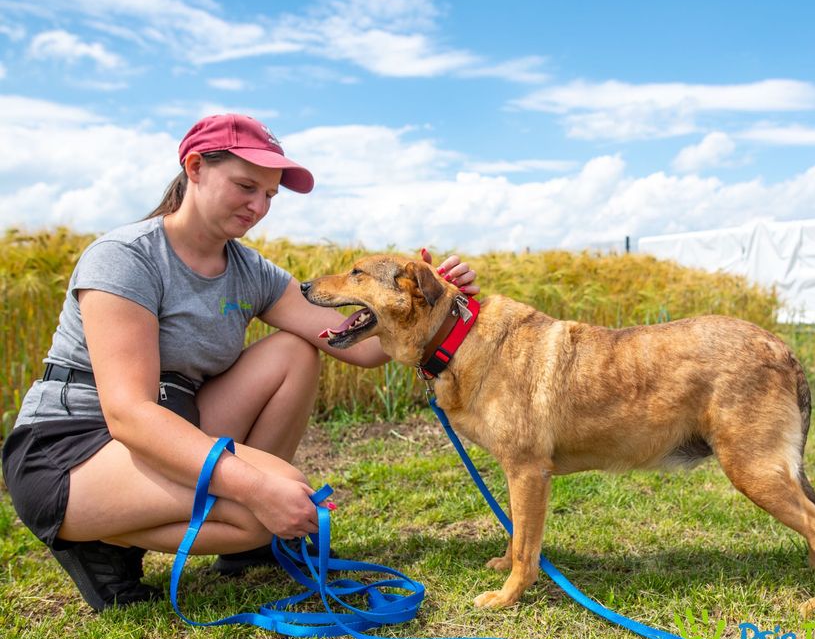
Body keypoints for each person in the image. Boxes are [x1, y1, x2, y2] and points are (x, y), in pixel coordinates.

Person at [1, 114, 478, 612]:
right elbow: (128, 412)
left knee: (294, 351)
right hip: (73, 446)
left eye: (270, 195)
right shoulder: (126, 257)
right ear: (195, 168)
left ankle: (220, 540)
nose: (258, 207)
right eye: (246, 186)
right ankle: (101, 540)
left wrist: (437, 308)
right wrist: (254, 488)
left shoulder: (250, 270)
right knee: (271, 504)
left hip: (174, 423)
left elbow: (358, 348)